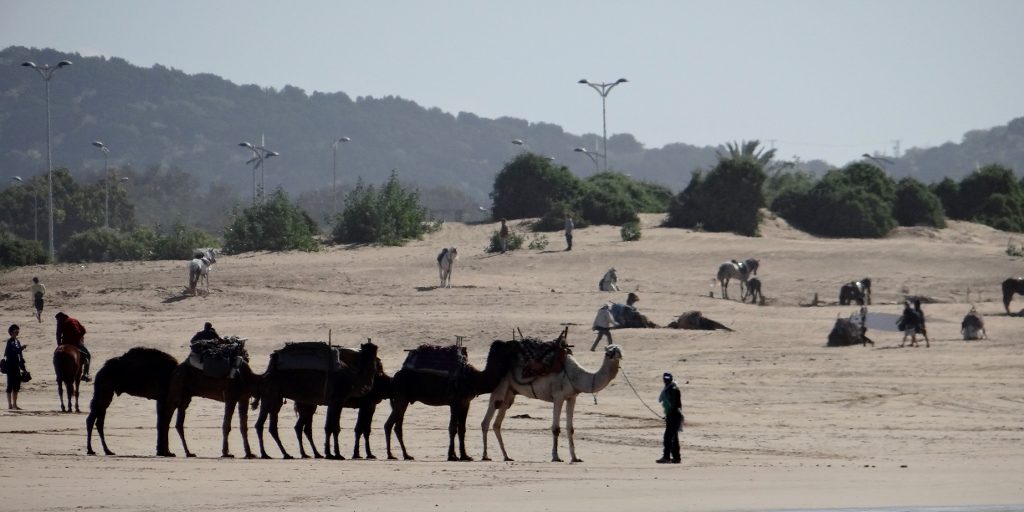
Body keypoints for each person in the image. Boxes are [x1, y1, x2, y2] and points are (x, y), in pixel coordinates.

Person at [55, 312, 91, 381]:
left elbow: (58, 335)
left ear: (59, 318)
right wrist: (79, 337)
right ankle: (85, 374)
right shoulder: (74, 320)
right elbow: (83, 330)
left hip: (67, 342)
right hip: (77, 342)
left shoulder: (61, 321)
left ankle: (59, 374)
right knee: (88, 355)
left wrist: (59, 346)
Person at [657, 372, 683, 464]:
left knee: (668, 437)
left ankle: (666, 457)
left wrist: (670, 415)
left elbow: (675, 404)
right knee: (674, 437)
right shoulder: (669, 388)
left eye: (668, 378)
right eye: (665, 378)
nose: (666, 379)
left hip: (674, 416)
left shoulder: (673, 389)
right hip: (672, 415)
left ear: (671, 379)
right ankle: (676, 458)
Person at [5, 325, 27, 410]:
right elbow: (14, 351)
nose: (17, 332)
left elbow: (20, 355)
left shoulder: (17, 341)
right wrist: (22, 348)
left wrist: (23, 367)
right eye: (15, 331)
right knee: (10, 385)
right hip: (10, 366)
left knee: (16, 386)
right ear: (11, 332)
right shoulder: (10, 341)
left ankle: (14, 404)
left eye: (17, 331)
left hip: (17, 366)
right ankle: (10, 405)